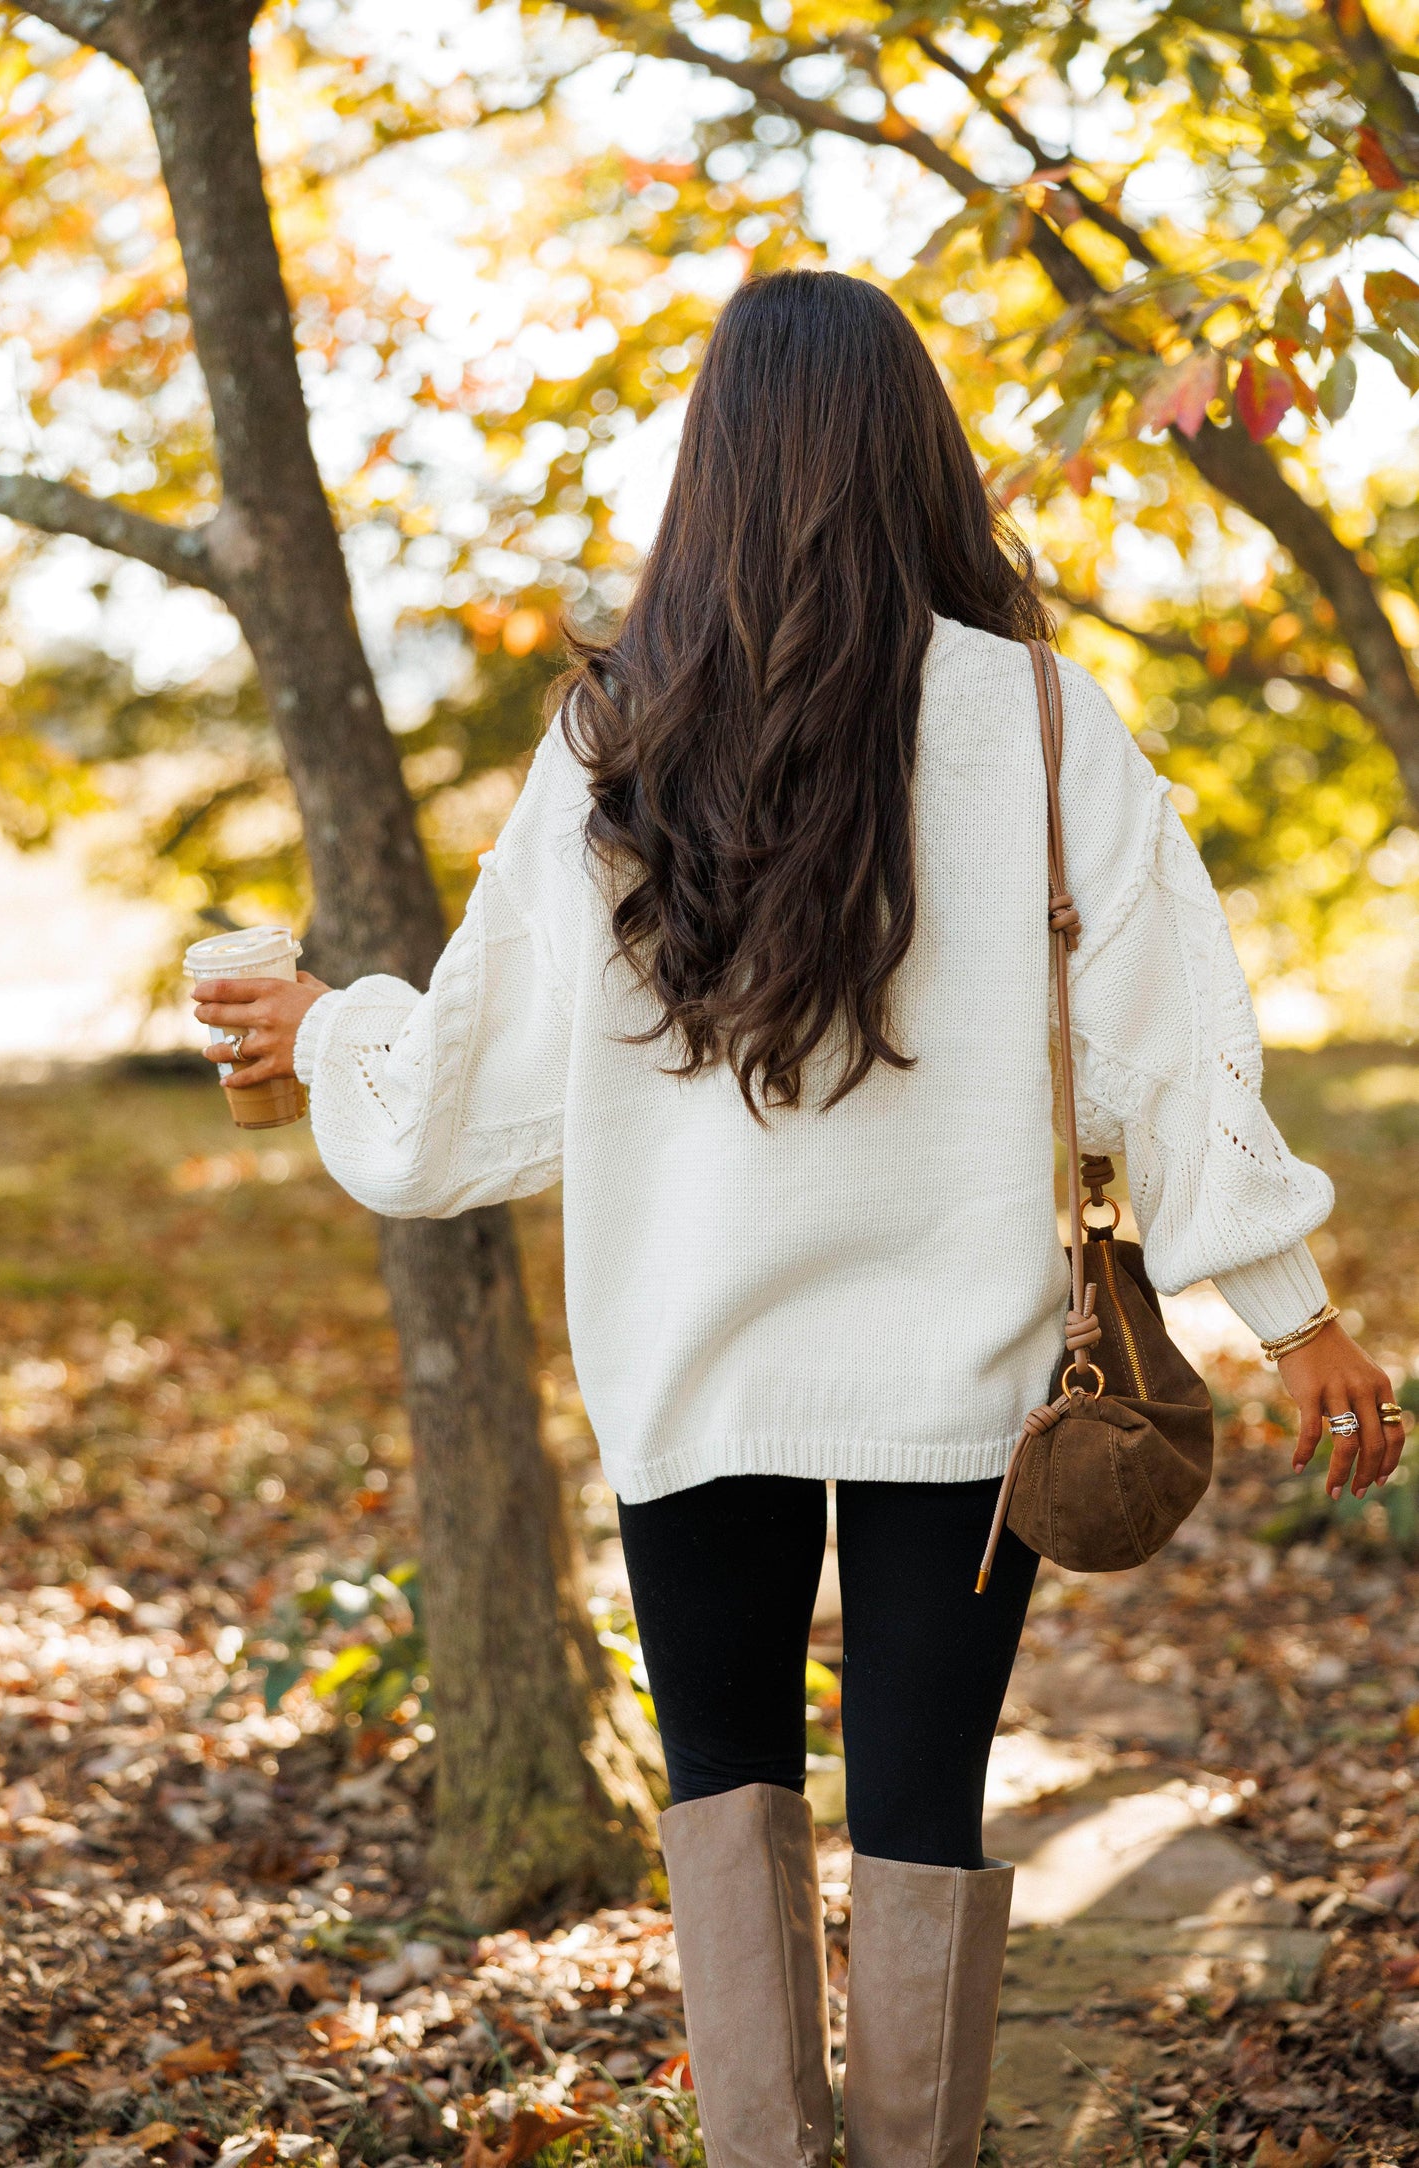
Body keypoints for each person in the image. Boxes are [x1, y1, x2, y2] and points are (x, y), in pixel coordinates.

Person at [191, 269, 1396, 2168]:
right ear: (919, 459)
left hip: (693, 1372)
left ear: (716, 468)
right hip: (965, 1384)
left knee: (723, 1786)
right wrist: (1289, 1302)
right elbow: (1172, 1054)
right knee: (924, 1803)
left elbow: (474, 1103)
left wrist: (333, 1030)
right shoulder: (1047, 723)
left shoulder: (614, 737)